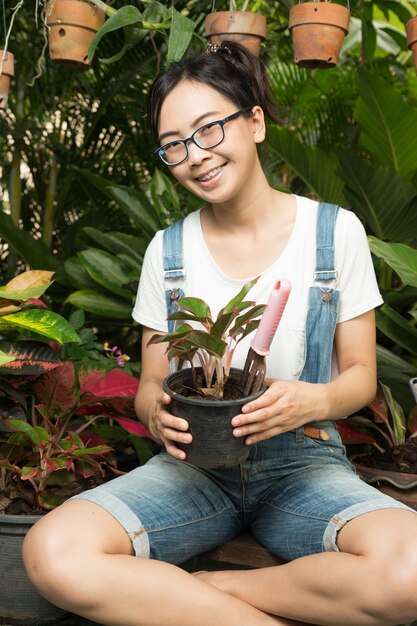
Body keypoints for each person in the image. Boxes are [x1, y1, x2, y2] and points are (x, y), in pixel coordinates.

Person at [23, 41, 417, 626]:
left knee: (410, 570)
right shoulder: (168, 250)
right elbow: (151, 385)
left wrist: (316, 398)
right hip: (191, 472)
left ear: (255, 121)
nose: (195, 156)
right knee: (51, 553)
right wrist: (157, 414)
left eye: (209, 129)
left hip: (303, 466)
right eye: (174, 145)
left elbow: (360, 375)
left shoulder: (335, 232)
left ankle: (220, 593)